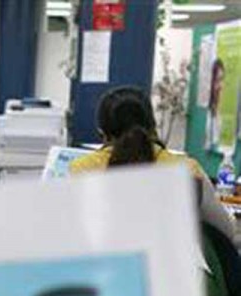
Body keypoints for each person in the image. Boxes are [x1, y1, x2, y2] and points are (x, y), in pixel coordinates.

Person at [70, 85, 236, 242]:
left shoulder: (81, 170)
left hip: (103, 268)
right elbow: (226, 231)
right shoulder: (187, 170)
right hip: (172, 269)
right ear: (152, 125)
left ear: (102, 132)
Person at [206, 59, 225, 151]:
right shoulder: (207, 113)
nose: (221, 85)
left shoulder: (220, 112)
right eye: (217, 80)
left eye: (222, 79)